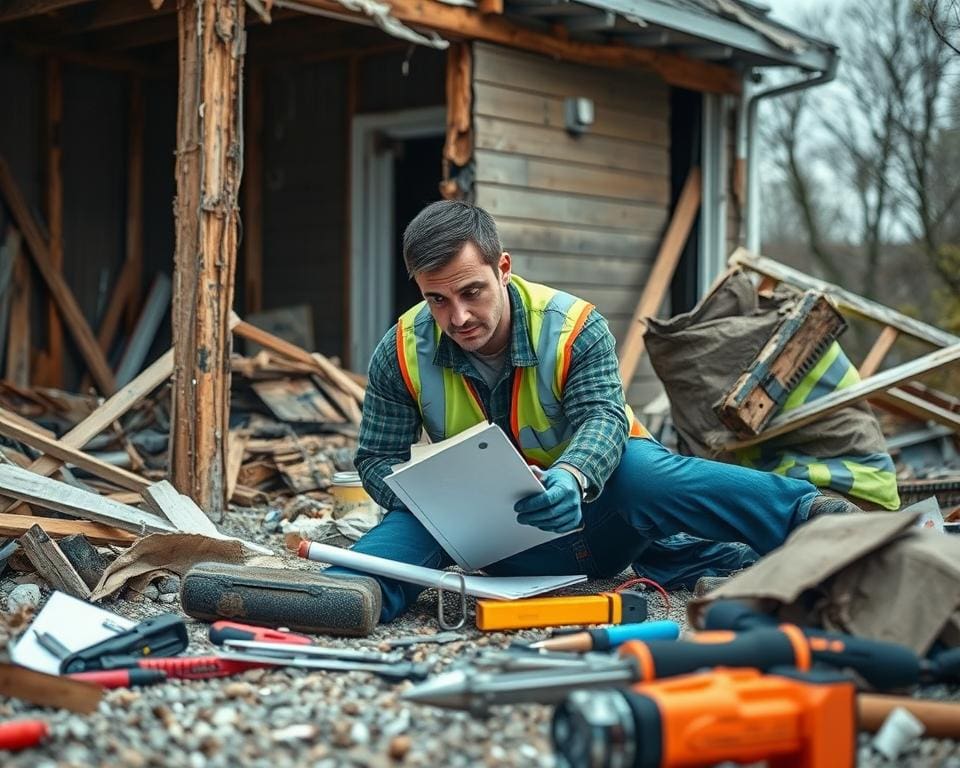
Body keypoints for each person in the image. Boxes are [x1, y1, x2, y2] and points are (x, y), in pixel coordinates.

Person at [313, 200, 857, 635]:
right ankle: (349, 596)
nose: (458, 316)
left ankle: (814, 519)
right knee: (414, 519)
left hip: (602, 519)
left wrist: (574, 476)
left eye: (471, 292)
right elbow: (376, 458)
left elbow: (603, 417)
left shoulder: (574, 326)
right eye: (437, 300)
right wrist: (432, 496)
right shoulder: (401, 349)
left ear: (503, 269)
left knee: (640, 468)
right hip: (491, 545)